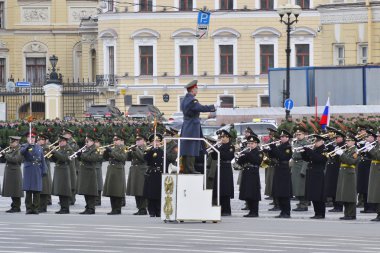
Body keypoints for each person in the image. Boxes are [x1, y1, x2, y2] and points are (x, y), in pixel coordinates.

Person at [180, 80, 216, 174]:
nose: (197, 91)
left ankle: (186, 168)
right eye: (196, 89)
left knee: (187, 147)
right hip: (192, 126)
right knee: (192, 147)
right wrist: (213, 107)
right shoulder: (192, 100)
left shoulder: (184, 99)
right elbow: (201, 108)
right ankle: (190, 169)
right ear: (193, 89)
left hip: (187, 126)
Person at [266, 130, 293, 218]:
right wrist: (268, 151)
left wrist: (274, 148)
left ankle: (286, 212)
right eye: (281, 137)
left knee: (284, 192)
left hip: (284, 170)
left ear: (287, 138)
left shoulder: (288, 147)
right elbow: (274, 156)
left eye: (283, 137)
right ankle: (282, 211)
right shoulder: (280, 146)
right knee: (279, 192)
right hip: (278, 169)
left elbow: (283, 157)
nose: (281, 138)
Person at [20, 132, 48, 214]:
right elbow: (22, 152)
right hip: (29, 169)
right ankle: (28, 208)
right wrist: (28, 145)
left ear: (35, 139)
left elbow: (42, 159)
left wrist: (44, 170)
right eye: (29, 137)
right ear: (27, 138)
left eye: (32, 137)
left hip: (37, 169)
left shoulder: (39, 147)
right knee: (28, 191)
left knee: (36, 190)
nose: (31, 139)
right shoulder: (24, 146)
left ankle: (35, 208)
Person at [301, 135, 328, 219]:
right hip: (312, 173)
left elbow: (320, 159)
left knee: (319, 195)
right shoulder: (315, 149)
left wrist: (310, 151)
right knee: (313, 194)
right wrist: (304, 152)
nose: (315, 143)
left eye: (317, 141)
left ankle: (321, 213)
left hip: (318, 173)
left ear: (321, 141)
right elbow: (307, 159)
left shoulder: (324, 150)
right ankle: (317, 213)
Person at [237, 135, 263, 217]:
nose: (250, 145)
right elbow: (240, 162)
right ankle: (250, 211)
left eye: (252, 143)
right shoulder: (246, 152)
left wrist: (248, 154)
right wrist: (240, 157)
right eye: (249, 143)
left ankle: (255, 212)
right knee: (247, 192)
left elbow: (257, 161)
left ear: (256, 144)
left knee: (254, 193)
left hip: (253, 173)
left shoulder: (259, 152)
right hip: (246, 173)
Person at [335, 133, 359, 220]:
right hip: (343, 173)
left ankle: (351, 214)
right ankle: (346, 213)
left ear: (353, 142)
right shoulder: (346, 150)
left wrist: (342, 154)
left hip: (350, 173)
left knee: (350, 195)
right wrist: (337, 153)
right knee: (344, 194)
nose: (347, 142)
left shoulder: (355, 150)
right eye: (347, 140)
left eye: (349, 141)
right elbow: (341, 160)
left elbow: (351, 161)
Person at [103, 134, 128, 215]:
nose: (115, 141)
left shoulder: (123, 148)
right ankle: (113, 208)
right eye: (114, 140)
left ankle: (117, 209)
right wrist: (106, 152)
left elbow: (122, 158)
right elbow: (106, 158)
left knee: (117, 190)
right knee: (112, 190)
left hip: (118, 169)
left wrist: (111, 151)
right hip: (111, 169)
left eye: (117, 140)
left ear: (121, 140)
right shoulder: (113, 148)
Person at [77, 134, 102, 215]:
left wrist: (82, 155)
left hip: (90, 171)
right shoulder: (87, 148)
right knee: (86, 191)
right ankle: (87, 207)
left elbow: (93, 158)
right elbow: (83, 158)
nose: (86, 143)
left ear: (92, 141)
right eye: (85, 141)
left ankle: (91, 208)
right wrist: (78, 156)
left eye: (87, 141)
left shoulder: (96, 149)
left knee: (90, 191)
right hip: (85, 171)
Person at [211, 130, 235, 216]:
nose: (222, 138)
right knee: (219, 189)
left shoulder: (231, 147)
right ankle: (220, 209)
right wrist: (213, 150)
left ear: (228, 137)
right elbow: (214, 157)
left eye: (224, 137)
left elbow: (227, 156)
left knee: (226, 190)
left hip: (226, 168)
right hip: (219, 168)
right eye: (221, 137)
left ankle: (227, 210)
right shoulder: (220, 146)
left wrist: (217, 149)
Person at [126, 134, 149, 215]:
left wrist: (135, 150)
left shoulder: (146, 148)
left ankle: (143, 208)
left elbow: (143, 158)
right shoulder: (136, 148)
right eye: (137, 140)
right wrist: (130, 151)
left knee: (141, 191)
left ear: (144, 141)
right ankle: (139, 208)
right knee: (136, 190)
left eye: (139, 139)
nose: (137, 141)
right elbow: (127, 158)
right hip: (135, 171)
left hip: (142, 171)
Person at [51, 135, 73, 214]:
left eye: (62, 141)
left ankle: (65, 208)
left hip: (64, 170)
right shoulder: (59, 149)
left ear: (65, 141)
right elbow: (55, 160)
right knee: (60, 190)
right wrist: (52, 155)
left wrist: (55, 152)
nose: (60, 143)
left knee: (64, 190)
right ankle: (62, 208)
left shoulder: (68, 149)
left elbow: (64, 159)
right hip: (59, 170)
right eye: (59, 141)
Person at [143, 133, 164, 217]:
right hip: (152, 173)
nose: (157, 143)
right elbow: (145, 159)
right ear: (151, 143)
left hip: (160, 173)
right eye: (155, 141)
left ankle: (158, 210)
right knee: (151, 194)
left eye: (158, 141)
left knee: (159, 193)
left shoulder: (162, 150)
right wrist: (152, 151)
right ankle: (151, 210)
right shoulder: (149, 150)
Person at [325, 127, 345, 212]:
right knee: (332, 187)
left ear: (342, 138)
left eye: (337, 138)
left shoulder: (344, 146)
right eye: (335, 138)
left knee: (337, 188)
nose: (335, 139)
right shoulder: (335, 145)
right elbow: (329, 156)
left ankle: (339, 206)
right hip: (332, 169)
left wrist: (339, 153)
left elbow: (341, 158)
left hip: (338, 169)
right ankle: (335, 205)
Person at [2, 136, 24, 213]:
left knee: (15, 190)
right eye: (10, 142)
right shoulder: (13, 149)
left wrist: (6, 155)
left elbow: (15, 159)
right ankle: (14, 206)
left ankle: (16, 207)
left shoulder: (20, 150)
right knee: (12, 190)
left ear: (17, 142)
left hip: (15, 172)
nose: (10, 143)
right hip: (11, 172)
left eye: (12, 142)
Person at [291, 126, 309, 212]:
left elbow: (307, 158)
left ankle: (304, 204)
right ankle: (300, 202)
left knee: (302, 187)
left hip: (302, 164)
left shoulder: (306, 143)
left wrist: (304, 169)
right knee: (297, 186)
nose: (298, 136)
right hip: (296, 165)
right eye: (297, 134)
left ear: (304, 135)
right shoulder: (296, 142)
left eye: (300, 134)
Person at [37, 133, 53, 213]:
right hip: (39, 169)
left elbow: (42, 156)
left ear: (44, 141)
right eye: (38, 140)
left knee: (44, 188)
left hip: (44, 168)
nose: (38, 141)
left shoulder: (46, 148)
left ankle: (43, 207)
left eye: (40, 140)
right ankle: (39, 206)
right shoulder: (38, 147)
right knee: (40, 188)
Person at [62, 128, 79, 205]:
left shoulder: (73, 142)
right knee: (66, 181)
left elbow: (73, 151)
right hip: (66, 163)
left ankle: (72, 199)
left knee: (72, 181)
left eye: (65, 134)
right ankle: (66, 198)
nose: (64, 136)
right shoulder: (65, 141)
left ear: (69, 135)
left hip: (72, 163)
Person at [367, 128, 380, 221]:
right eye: (378, 136)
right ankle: (378, 213)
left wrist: (371, 150)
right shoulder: (377, 145)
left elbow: (378, 156)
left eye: (379, 136)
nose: (378, 138)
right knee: (375, 194)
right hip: (375, 171)